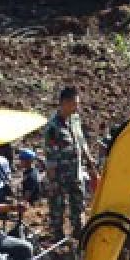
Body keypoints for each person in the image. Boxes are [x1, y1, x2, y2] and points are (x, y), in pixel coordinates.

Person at [44, 86, 97, 239]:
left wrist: (89, 161)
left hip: (76, 172)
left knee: (78, 205)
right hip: (60, 176)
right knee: (57, 209)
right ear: (64, 103)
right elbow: (50, 156)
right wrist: (53, 180)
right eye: (75, 103)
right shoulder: (53, 127)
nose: (77, 107)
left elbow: (81, 141)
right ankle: (58, 237)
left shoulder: (75, 120)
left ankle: (79, 234)